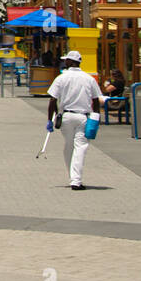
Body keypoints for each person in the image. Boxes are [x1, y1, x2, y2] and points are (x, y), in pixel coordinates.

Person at [46, 50, 102, 190]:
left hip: (66, 117)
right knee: (81, 147)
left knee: (69, 146)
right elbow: (95, 100)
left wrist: (49, 119)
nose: (65, 62)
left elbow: (53, 99)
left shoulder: (61, 78)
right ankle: (76, 180)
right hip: (83, 117)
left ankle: (73, 178)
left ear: (70, 62)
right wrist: (95, 118)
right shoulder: (89, 78)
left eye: (66, 60)